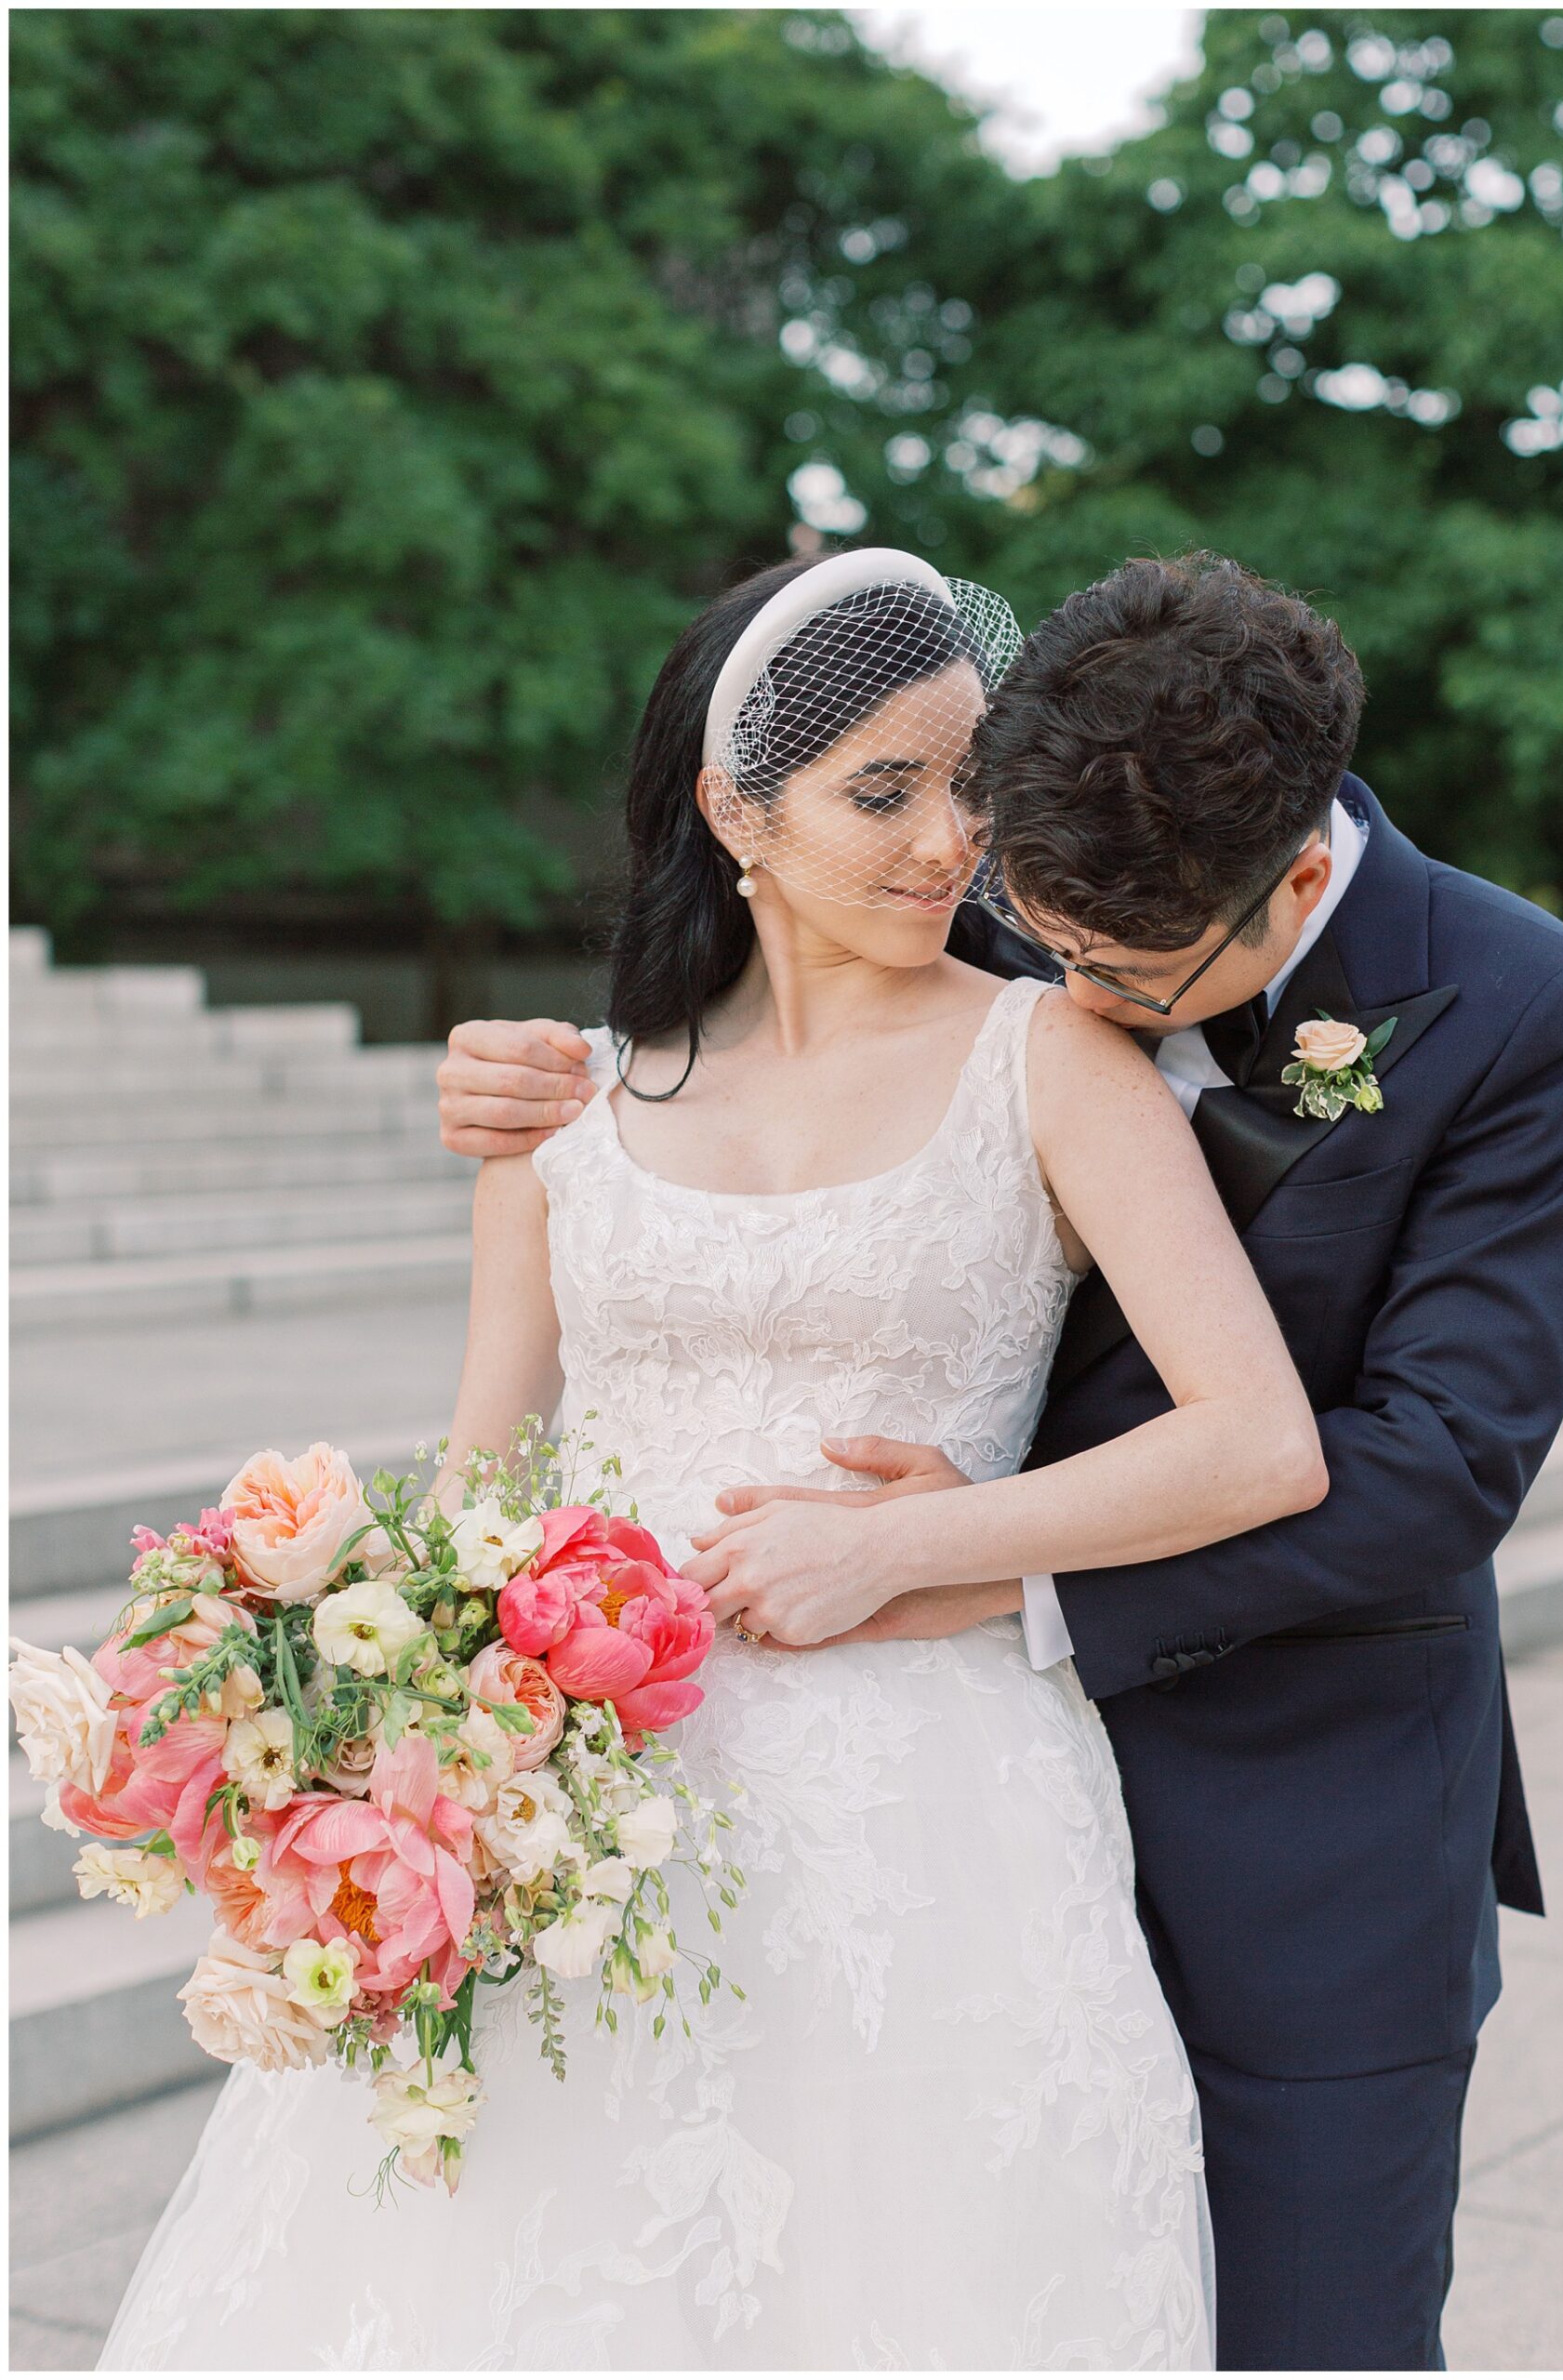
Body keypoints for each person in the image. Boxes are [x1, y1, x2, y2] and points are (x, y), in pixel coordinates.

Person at [99, 549, 1336, 2371]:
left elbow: (1261, 1439)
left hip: (938, 1801)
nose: (947, 842)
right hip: (588, 1805)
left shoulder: (1052, 1056)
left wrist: (908, 1545)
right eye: (884, 789)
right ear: (731, 808)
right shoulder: (564, 1110)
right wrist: (352, 1732)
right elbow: (479, 1481)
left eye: (976, 787)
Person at [441, 549, 1563, 2371]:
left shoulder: (1524, 1009)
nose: (1056, 975)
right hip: (907, 1820)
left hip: (1294, 1818)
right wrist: (544, 1083)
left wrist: (974, 1561)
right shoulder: (1034, 866)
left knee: (1309, 2332)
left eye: (1117, 970)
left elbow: (1432, 1464)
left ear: (1296, 883)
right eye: (1034, 918)